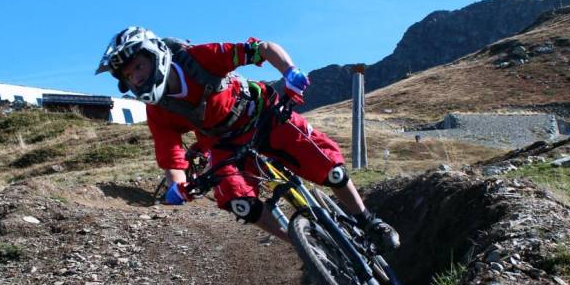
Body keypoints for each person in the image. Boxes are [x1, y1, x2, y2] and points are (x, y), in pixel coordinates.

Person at [95, 26, 400, 252]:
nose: (136, 77)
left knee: (330, 168)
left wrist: (290, 72)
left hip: (262, 113)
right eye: (128, 76)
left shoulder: (199, 58)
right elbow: (171, 156)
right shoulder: (158, 111)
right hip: (224, 143)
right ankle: (305, 246)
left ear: (155, 54)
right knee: (237, 201)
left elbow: (262, 49)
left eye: (138, 66)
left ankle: (368, 220)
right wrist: (179, 187)